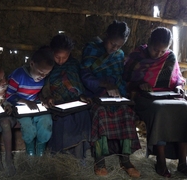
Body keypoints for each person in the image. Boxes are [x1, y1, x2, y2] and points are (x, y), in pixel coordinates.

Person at [124, 27, 187, 178]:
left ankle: (182, 161)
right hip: (144, 97)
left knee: (185, 108)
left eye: (162, 51)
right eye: (155, 50)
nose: (159, 54)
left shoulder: (170, 57)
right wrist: (140, 84)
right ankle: (160, 160)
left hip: (169, 95)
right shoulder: (137, 56)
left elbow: (178, 78)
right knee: (160, 110)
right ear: (148, 43)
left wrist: (179, 86)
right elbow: (126, 78)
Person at [80, 20, 141, 178]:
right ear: (106, 36)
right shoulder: (92, 48)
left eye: (119, 46)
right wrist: (104, 84)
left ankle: (125, 159)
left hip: (114, 95)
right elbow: (85, 76)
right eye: (112, 44)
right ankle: (99, 159)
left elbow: (119, 78)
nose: (114, 49)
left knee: (126, 113)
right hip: (94, 94)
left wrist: (120, 95)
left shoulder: (119, 55)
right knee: (100, 113)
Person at [40, 34, 91, 161]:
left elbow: (78, 84)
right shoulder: (46, 65)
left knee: (83, 114)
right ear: (52, 52)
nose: (61, 61)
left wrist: (81, 96)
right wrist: (47, 97)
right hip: (55, 102)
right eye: (58, 57)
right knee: (63, 118)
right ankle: (62, 155)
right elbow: (41, 87)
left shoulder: (73, 64)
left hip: (74, 101)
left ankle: (79, 156)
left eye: (65, 57)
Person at [6, 47, 54, 156]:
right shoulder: (18, 75)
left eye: (46, 74)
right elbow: (9, 95)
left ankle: (41, 146)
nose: (42, 76)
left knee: (46, 121)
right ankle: (30, 148)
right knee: (27, 126)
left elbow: (40, 92)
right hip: (20, 106)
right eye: (40, 72)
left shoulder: (43, 78)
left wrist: (44, 100)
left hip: (35, 104)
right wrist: (26, 102)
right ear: (32, 64)